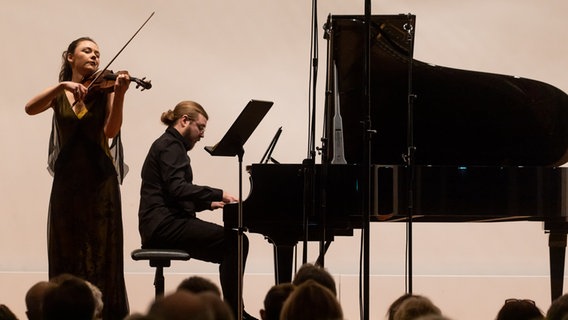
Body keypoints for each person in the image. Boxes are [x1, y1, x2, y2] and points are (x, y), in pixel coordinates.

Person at [24, 36, 130, 319]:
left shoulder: (105, 88)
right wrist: (61, 85)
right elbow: (29, 108)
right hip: (67, 183)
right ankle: (64, 312)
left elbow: (110, 132)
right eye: (87, 50)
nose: (94, 56)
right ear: (70, 57)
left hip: (100, 182)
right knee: (67, 250)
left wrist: (119, 94)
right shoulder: (59, 93)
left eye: (98, 52)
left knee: (100, 253)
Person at [138, 100, 256, 320]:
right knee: (237, 242)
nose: (202, 134)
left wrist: (207, 203)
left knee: (232, 246)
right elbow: (178, 188)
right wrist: (217, 194)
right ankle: (233, 313)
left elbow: (173, 193)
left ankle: (233, 311)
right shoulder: (171, 146)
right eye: (200, 127)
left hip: (162, 224)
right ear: (184, 121)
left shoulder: (169, 145)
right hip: (164, 226)